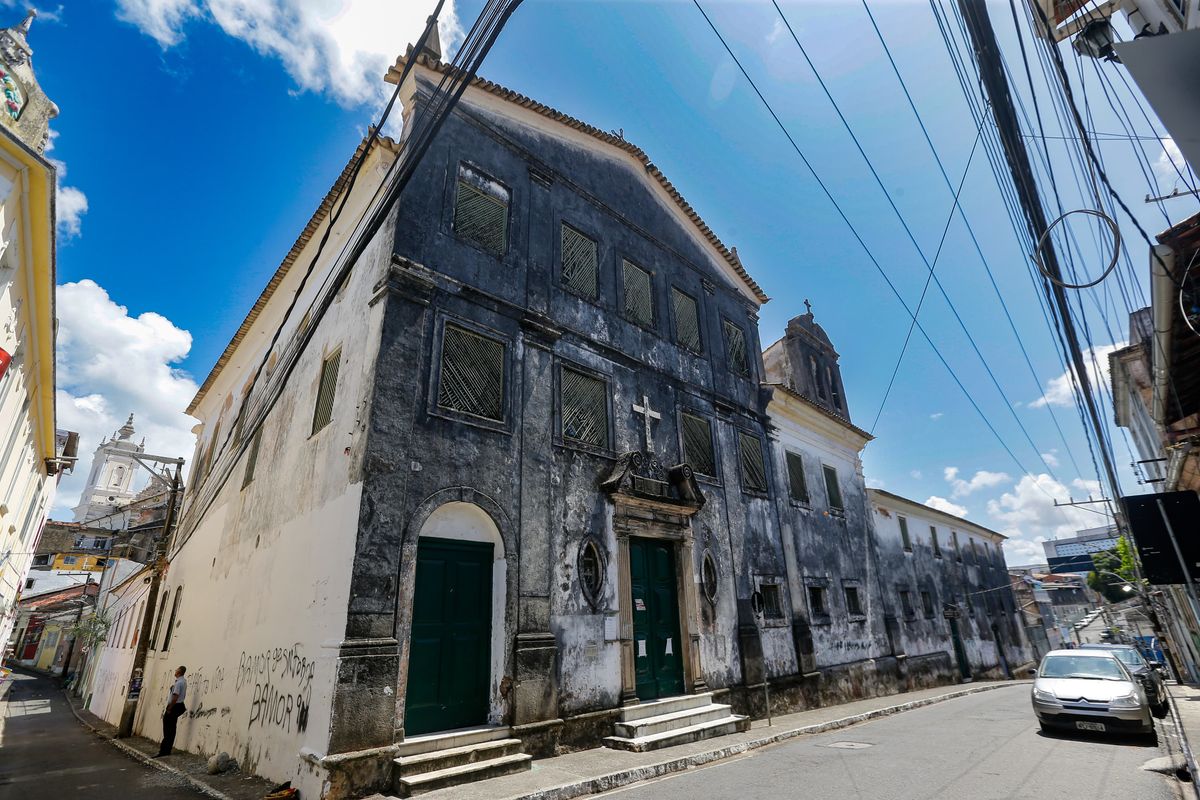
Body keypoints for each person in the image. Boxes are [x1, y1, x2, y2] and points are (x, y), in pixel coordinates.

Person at [155, 666, 188, 757]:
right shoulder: (183, 681)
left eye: (176, 669)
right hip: (178, 706)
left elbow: (175, 696)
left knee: (168, 729)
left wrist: (169, 708)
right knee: (172, 729)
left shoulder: (179, 683)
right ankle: (167, 749)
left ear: (179, 672)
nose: (175, 670)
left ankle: (164, 751)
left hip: (174, 707)